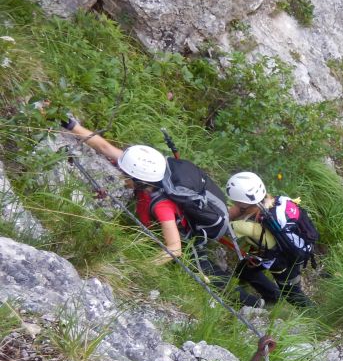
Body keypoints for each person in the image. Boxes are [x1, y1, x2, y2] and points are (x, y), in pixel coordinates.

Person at [63, 117, 263, 307]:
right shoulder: (149, 173)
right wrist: (71, 125)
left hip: (186, 237)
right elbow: (105, 148)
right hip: (171, 223)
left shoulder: (161, 205)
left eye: (125, 174)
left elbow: (174, 249)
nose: (121, 174)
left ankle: (253, 302)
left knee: (206, 271)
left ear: (140, 180)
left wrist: (140, 267)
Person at [224, 171, 316, 308]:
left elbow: (218, 225)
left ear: (243, 203)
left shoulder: (245, 227)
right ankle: (271, 298)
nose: (234, 203)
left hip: (284, 262)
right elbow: (236, 211)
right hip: (282, 251)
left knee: (293, 295)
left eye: (236, 202)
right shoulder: (272, 201)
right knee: (245, 270)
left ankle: (316, 317)